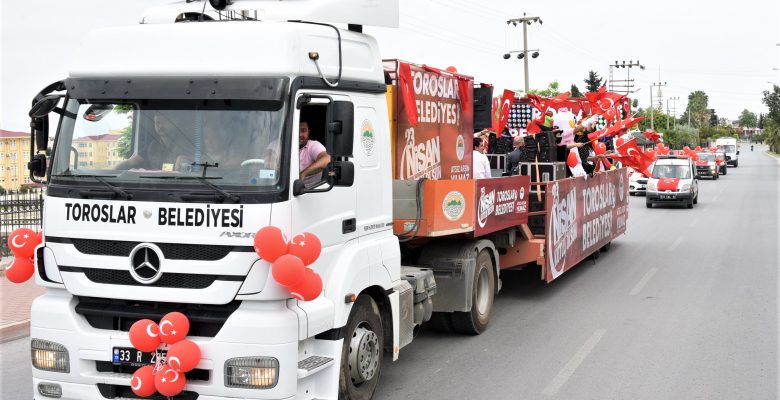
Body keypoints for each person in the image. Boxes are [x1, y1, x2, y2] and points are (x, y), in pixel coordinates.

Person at [115, 112, 194, 171]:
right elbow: (129, 163)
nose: (160, 125)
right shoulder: (153, 146)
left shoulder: (188, 143)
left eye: (164, 121)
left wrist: (189, 159)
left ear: (176, 121)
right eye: (157, 122)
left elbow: (203, 159)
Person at [298, 121, 331, 188]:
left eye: (303, 130)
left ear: (308, 132)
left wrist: (303, 174)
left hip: (309, 191)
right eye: (297, 131)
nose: (300, 134)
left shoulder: (313, 145)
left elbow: (327, 159)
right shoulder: (279, 144)